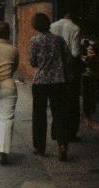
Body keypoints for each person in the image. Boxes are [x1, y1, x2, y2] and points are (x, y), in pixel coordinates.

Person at [29, 11, 75, 160]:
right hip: (58, 81)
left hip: (41, 81)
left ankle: (40, 147)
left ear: (36, 25)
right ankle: (62, 144)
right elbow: (69, 58)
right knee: (59, 113)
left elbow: (33, 61)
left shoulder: (35, 40)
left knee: (39, 114)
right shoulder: (59, 40)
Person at [50, 12, 83, 142]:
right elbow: (75, 53)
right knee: (72, 102)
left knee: (56, 102)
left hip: (54, 71)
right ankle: (71, 134)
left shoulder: (52, 26)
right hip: (69, 71)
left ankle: (55, 131)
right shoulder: (75, 28)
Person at [0, 20, 20, 165]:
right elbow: (14, 67)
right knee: (6, 119)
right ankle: (1, 151)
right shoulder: (13, 49)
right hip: (7, 84)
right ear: (8, 33)